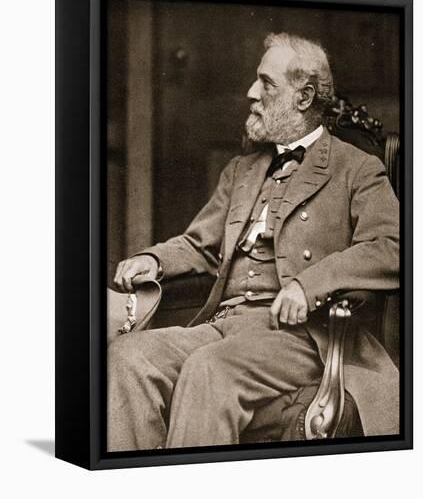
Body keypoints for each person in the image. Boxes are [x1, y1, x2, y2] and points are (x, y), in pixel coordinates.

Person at [108, 32, 400, 452]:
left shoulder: (356, 169)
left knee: (208, 370)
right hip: (224, 323)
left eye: (266, 83)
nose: (251, 93)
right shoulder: (241, 170)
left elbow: (392, 245)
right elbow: (200, 245)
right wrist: (154, 261)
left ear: (303, 97)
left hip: (300, 336)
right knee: (128, 357)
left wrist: (309, 284)